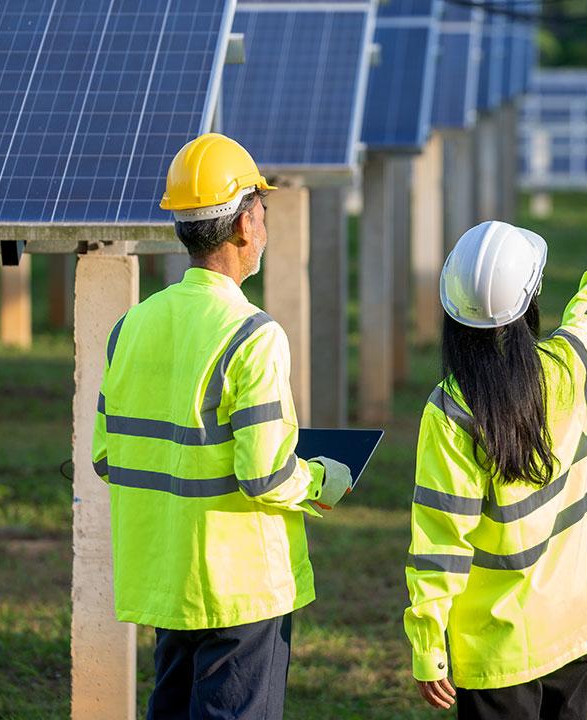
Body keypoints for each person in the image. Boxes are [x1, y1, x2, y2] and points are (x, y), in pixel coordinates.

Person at [90, 133, 353, 720]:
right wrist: (321, 479)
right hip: (241, 591)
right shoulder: (253, 336)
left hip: (166, 581)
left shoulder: (131, 326)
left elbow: (107, 457)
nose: (264, 226)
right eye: (261, 211)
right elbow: (264, 474)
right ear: (241, 227)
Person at [403, 219, 587, 719]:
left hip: (495, 649)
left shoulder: (450, 412)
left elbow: (441, 538)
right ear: (530, 302)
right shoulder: (566, 369)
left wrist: (428, 643)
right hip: (571, 624)